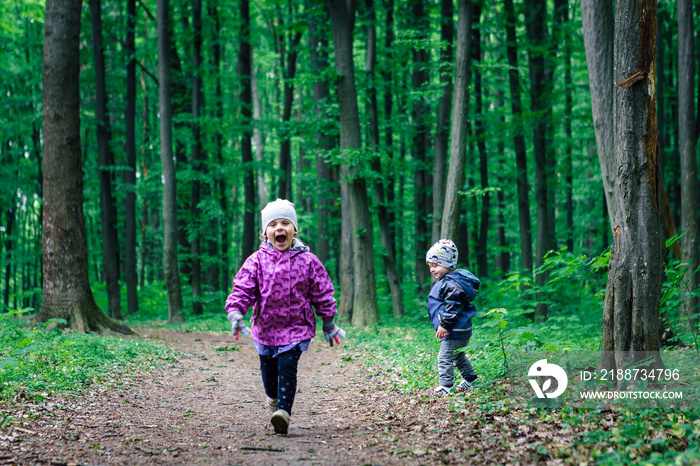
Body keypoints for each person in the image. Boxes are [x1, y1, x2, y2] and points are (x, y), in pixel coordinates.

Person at [225, 199, 346, 434]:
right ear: (265, 233)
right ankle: (273, 399)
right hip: (265, 329)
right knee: (269, 375)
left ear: (294, 230)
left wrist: (328, 321)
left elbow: (322, 291)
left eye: (285, 223)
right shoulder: (256, 261)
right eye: (273, 224)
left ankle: (283, 412)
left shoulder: (308, 261)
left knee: (288, 368)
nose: (279, 228)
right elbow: (243, 288)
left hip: (296, 329)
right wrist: (236, 312)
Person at [426, 239, 479, 396]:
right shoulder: (450, 281)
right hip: (459, 329)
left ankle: (446, 386)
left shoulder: (452, 284)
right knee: (457, 355)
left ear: (448, 264)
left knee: (444, 357)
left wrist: (445, 325)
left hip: (454, 329)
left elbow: (452, 306)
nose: (432, 269)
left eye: (435, 265)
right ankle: (471, 380)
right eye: (430, 266)